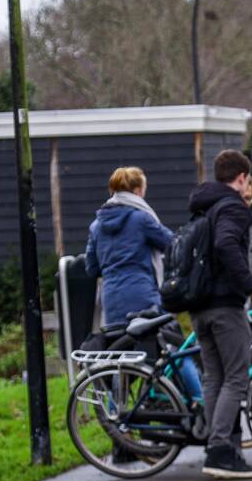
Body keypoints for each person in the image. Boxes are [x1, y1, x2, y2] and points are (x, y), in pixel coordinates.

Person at [85, 166, 202, 399]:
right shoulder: (141, 218)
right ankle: (201, 401)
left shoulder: (96, 226)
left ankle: (116, 414)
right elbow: (172, 245)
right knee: (175, 348)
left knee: (120, 360)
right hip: (144, 299)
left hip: (112, 303)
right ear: (138, 190)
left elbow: (92, 268)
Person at [189, 150, 252, 480]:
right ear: (242, 178)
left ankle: (218, 446)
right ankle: (220, 449)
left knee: (214, 377)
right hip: (224, 305)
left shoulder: (204, 204)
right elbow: (225, 245)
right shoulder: (232, 206)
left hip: (200, 305)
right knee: (237, 377)